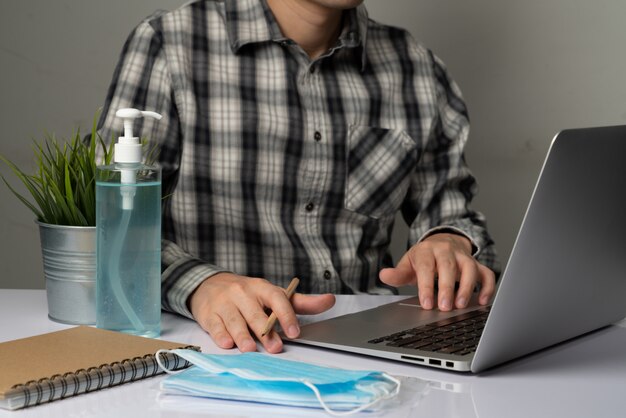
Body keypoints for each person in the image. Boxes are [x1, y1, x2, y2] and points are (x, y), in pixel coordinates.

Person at [96, 0, 499, 354]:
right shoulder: (171, 44)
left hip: (373, 349)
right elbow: (108, 225)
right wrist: (202, 285)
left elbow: (451, 211)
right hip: (219, 349)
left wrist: (448, 242)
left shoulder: (415, 66)